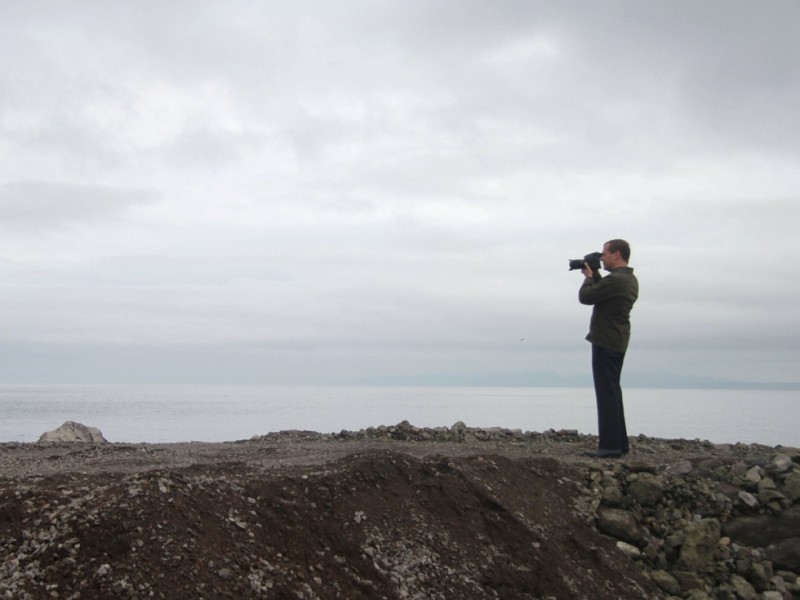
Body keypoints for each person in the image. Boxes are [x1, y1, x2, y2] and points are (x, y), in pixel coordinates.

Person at [578, 239, 638, 458]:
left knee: (606, 394)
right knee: (612, 391)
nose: (601, 258)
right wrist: (595, 275)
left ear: (617, 254)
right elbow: (603, 293)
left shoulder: (618, 280)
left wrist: (588, 278)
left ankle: (610, 446)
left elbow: (587, 297)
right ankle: (619, 443)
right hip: (616, 340)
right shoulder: (627, 279)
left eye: (604, 254)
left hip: (606, 340)